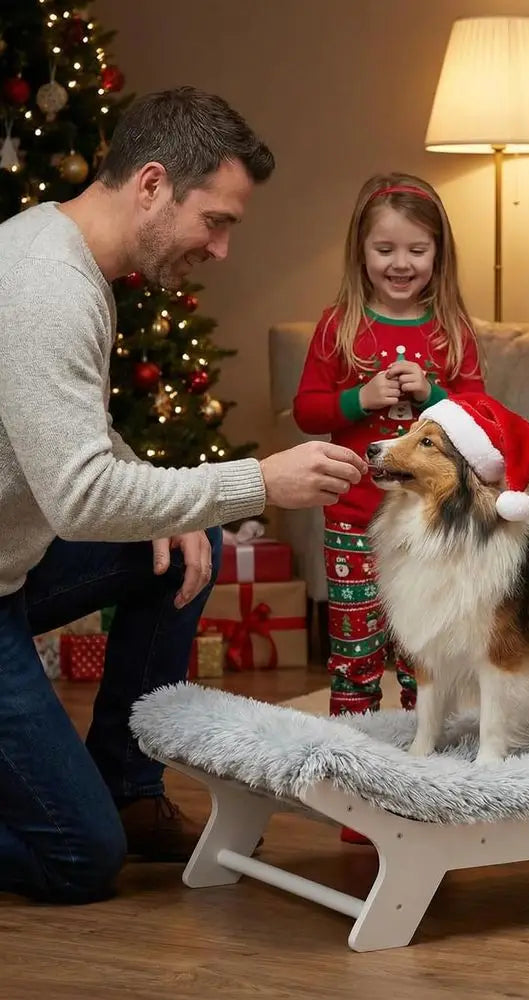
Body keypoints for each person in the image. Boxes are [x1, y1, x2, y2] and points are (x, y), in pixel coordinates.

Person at [0, 86, 367, 904]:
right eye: (216, 221)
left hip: (12, 563)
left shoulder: (67, 254)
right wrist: (257, 482)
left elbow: (78, 435)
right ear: (153, 185)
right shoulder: (47, 286)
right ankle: (94, 818)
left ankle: (128, 789)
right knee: (79, 858)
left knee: (180, 550)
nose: (222, 248)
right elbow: (80, 498)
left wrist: (188, 510)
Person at [293, 172, 484, 718]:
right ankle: (352, 740)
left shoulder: (452, 330)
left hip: (429, 524)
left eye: (417, 250)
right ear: (361, 250)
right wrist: (361, 398)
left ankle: (424, 742)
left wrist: (433, 395)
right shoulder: (339, 326)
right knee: (354, 647)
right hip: (352, 517)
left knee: (422, 646)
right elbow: (307, 410)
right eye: (385, 249)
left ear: (438, 254)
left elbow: (479, 417)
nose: (401, 263)